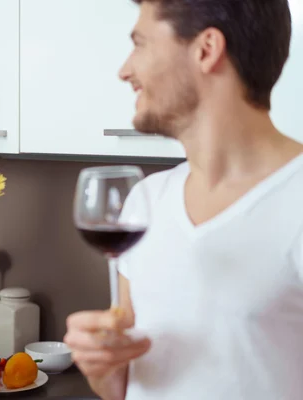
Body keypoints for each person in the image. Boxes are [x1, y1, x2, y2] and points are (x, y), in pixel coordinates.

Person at [64, 0, 303, 399]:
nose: (125, 70)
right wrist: (102, 367)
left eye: (140, 44)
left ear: (206, 49)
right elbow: (123, 388)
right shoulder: (144, 203)